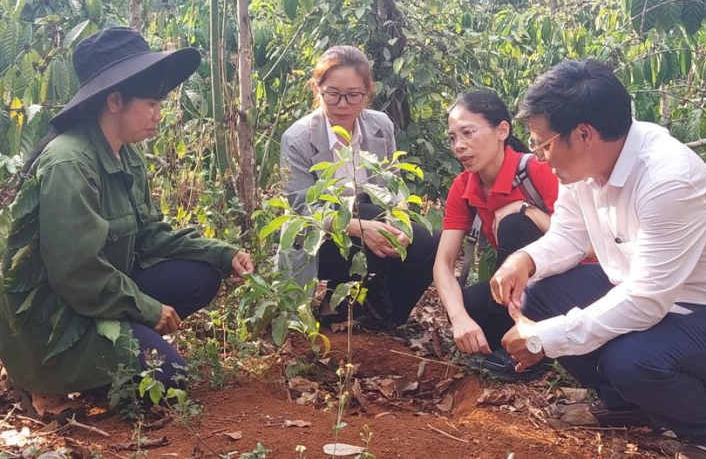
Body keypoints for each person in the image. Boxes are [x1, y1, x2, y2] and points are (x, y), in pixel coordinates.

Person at [0, 27, 254, 420]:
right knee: (168, 379)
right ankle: (46, 380)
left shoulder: (125, 155)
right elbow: (74, 272)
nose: (158, 115)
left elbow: (149, 235)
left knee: (202, 275)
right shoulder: (70, 161)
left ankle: (115, 361)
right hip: (57, 315)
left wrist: (223, 252)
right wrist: (147, 308)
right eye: (151, 104)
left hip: (99, 293)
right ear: (114, 101)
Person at [493, 59, 706, 459]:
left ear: (584, 134)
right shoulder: (585, 169)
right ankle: (625, 404)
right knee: (541, 294)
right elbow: (570, 236)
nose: (539, 157)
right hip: (653, 295)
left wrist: (544, 338)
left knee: (630, 360)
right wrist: (523, 260)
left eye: (543, 144)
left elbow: (645, 301)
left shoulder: (668, 180)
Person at [279, 45, 439, 327]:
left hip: (371, 223)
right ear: (316, 89)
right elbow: (302, 208)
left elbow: (392, 182)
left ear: (368, 91)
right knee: (362, 213)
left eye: (353, 95)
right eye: (333, 94)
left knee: (429, 241)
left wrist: (399, 217)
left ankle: (378, 311)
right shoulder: (298, 138)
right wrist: (359, 228)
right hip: (320, 239)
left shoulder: (380, 126)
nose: (343, 105)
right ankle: (331, 305)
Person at [433, 90, 558, 381]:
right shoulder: (464, 187)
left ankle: (537, 354)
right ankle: (522, 348)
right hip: (515, 287)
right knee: (469, 305)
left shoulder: (537, 170)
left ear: (502, 130)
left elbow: (581, 242)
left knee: (514, 224)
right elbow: (443, 263)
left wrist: (524, 208)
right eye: (453, 138)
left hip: (562, 283)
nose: (459, 146)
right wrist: (459, 319)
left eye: (468, 133)